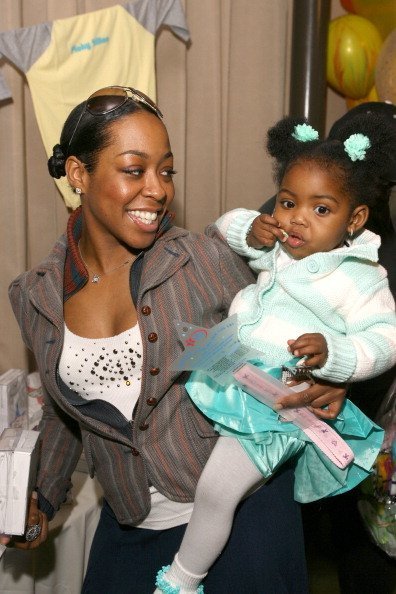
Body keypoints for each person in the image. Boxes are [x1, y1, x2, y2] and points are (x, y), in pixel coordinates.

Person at [0, 86, 347, 594]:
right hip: (130, 524)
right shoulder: (35, 296)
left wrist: (331, 375)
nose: (158, 189)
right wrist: (44, 500)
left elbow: (294, 319)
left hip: (244, 517)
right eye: (134, 169)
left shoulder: (204, 259)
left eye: (166, 171)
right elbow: (62, 414)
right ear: (78, 174)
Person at [154, 113, 396, 594]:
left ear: (355, 218)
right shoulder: (284, 249)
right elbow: (221, 228)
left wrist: (337, 355)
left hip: (279, 399)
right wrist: (253, 230)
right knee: (166, 398)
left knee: (216, 491)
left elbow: (386, 338)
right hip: (230, 363)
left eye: (321, 209)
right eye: (288, 203)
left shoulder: (360, 277)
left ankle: (180, 582)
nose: (298, 217)